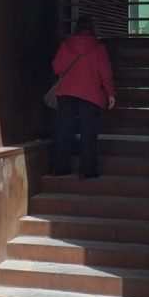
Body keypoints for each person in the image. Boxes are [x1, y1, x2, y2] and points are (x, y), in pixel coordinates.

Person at [51, 16, 115, 179]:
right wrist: (110, 94)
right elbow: (105, 73)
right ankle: (88, 171)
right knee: (89, 133)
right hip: (90, 94)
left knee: (64, 131)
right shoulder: (99, 47)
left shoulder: (66, 44)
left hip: (67, 93)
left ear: (77, 28)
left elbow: (57, 68)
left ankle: (60, 168)